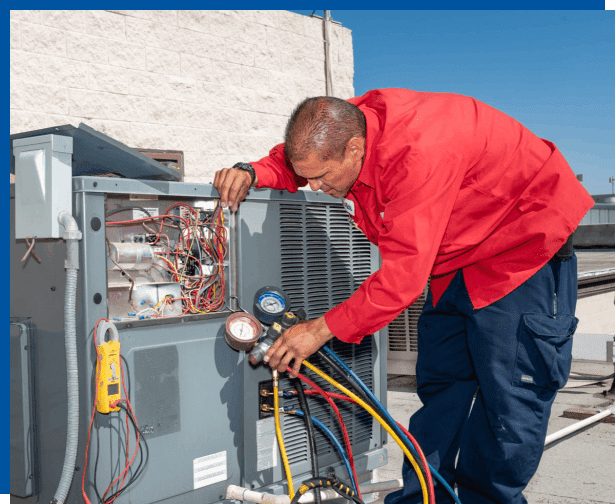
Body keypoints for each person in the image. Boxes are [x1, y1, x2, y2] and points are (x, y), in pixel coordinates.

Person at [213, 89, 594, 504]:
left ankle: (488, 499)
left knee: (509, 406)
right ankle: (424, 498)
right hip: (456, 261)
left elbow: (401, 280)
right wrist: (252, 171)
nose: (315, 188)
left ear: (355, 150)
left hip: (523, 254)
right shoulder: (344, 126)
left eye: (323, 178)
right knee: (442, 390)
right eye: (309, 178)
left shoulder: (420, 154)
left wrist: (319, 330)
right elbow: (300, 163)